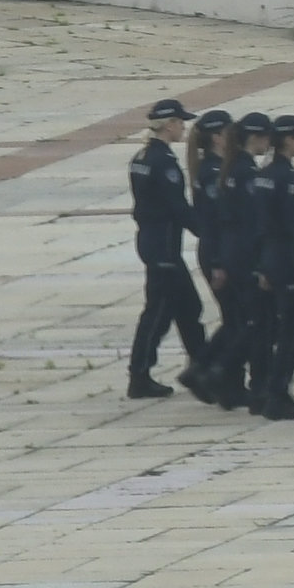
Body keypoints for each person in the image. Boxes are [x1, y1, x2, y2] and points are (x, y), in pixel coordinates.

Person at [123, 99, 209, 401]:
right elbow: (178, 208)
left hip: (151, 240)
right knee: (158, 313)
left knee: (188, 307)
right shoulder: (164, 163)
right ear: (169, 124)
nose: (183, 127)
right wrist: (207, 233)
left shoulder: (141, 157)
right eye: (180, 122)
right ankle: (139, 375)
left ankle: (202, 367)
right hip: (163, 247)